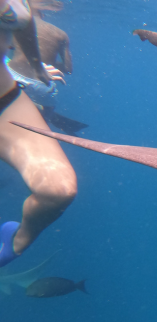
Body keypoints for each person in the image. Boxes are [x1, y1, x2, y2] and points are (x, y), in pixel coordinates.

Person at [0, 0, 76, 267]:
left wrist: (34, 67)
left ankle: (17, 241)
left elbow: (20, 24)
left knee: (58, 190)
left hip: (4, 101)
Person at [7, 0, 87, 135]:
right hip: (41, 83)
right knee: (46, 114)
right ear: (44, 14)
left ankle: (26, 106)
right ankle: (44, 116)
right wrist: (48, 64)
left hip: (12, 76)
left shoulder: (16, 24)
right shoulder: (60, 34)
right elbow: (68, 69)